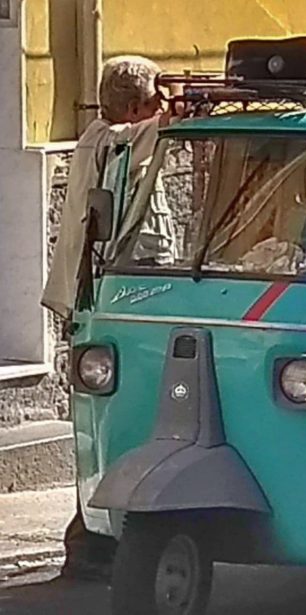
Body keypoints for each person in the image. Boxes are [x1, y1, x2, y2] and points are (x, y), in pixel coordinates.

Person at [41, 55, 180, 580]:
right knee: (112, 425)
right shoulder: (113, 142)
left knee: (108, 424)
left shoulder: (100, 137)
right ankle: (91, 541)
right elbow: (140, 138)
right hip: (109, 301)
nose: (162, 108)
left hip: (104, 299)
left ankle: (95, 540)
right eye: (156, 99)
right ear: (137, 104)